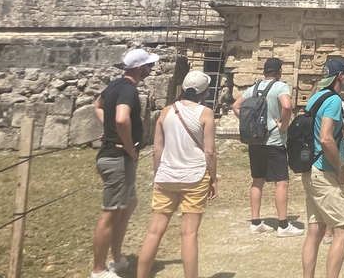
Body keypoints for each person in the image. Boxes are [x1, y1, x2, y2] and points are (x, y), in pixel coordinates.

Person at [137, 71, 217, 278]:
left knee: (154, 231)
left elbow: (157, 150)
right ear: (204, 92)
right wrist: (213, 177)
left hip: (166, 175)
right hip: (195, 176)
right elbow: (209, 151)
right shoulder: (205, 113)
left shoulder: (166, 112)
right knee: (189, 234)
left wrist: (158, 174)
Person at [91, 48, 159, 278]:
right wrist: (129, 146)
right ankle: (98, 270)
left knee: (127, 206)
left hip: (118, 158)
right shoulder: (129, 90)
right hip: (117, 158)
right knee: (110, 213)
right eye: (149, 66)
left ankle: (117, 259)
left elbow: (97, 105)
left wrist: (107, 128)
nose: (151, 69)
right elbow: (121, 118)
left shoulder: (114, 86)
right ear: (140, 68)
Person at [230, 57, 302, 236]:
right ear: (279, 71)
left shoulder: (254, 88)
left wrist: (249, 125)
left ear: (264, 72)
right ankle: (284, 225)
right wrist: (284, 126)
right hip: (274, 140)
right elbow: (287, 106)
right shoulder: (280, 87)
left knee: (258, 180)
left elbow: (235, 106)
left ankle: (256, 222)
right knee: (282, 182)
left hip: (256, 140)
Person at [301, 58, 344, 278]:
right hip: (325, 171)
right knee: (343, 232)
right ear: (340, 76)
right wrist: (341, 167)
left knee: (315, 230)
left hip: (310, 169)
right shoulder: (333, 100)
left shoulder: (314, 98)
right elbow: (326, 138)